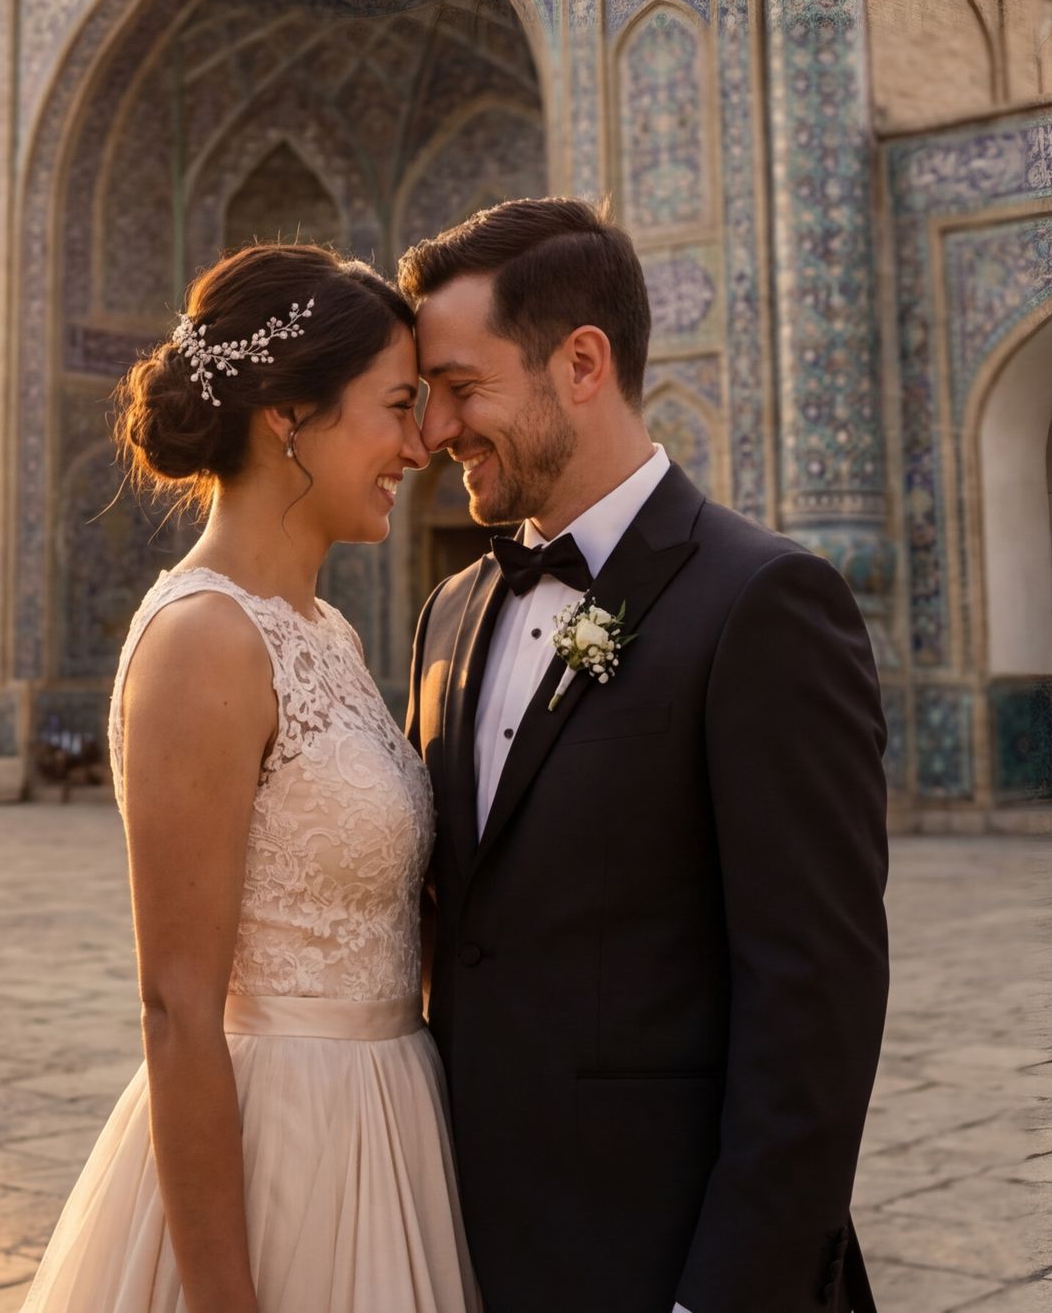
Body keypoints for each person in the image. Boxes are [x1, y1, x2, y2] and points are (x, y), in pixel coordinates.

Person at [401, 198, 890, 1313]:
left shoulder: (763, 603)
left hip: (661, 1258)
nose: (436, 432)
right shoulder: (450, 613)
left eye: (463, 388)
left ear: (581, 363)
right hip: (461, 1243)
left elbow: (813, 1003)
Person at [21, 242, 480, 1313]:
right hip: (285, 1146)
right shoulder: (204, 641)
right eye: (397, 406)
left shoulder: (332, 634)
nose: (419, 448)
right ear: (287, 415)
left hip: (388, 1125)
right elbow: (179, 1008)